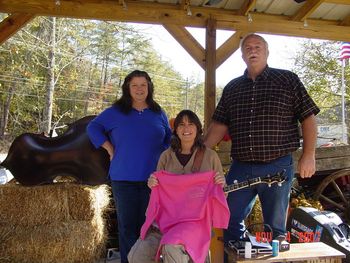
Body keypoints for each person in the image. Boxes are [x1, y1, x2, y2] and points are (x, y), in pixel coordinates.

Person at [204, 34, 320, 245]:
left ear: (267, 52)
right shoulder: (232, 88)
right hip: (241, 167)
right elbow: (219, 125)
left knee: (275, 228)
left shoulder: (287, 80)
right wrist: (198, 151)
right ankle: (238, 256)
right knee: (227, 216)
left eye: (258, 46)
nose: (252, 50)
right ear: (242, 55)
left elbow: (308, 118)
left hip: (277, 165)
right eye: (247, 47)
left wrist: (309, 155)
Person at [87, 70, 172, 263]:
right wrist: (108, 147)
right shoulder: (115, 112)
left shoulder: (158, 113)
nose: (139, 89)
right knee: (127, 228)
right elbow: (93, 127)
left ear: (149, 87)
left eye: (143, 85)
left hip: (154, 181)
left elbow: (168, 140)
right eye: (135, 85)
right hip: (123, 179)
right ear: (127, 88)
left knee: (149, 228)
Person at [128, 109, 229, 263]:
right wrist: (152, 184)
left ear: (198, 128)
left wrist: (221, 185)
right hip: (164, 222)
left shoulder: (210, 156)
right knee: (136, 256)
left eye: (191, 124)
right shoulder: (166, 156)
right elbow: (157, 192)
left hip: (195, 223)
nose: (186, 129)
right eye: (181, 125)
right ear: (175, 130)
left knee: (171, 247)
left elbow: (222, 195)